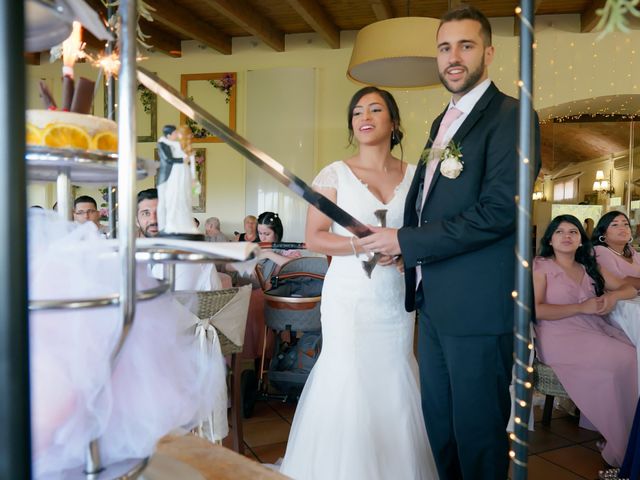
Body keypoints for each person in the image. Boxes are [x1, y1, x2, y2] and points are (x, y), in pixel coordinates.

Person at [359, 6, 541, 479]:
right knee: (441, 429)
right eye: (444, 48)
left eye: (465, 45)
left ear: (489, 53)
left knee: (478, 436)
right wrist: (409, 252)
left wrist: (407, 239)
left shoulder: (512, 116)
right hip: (434, 303)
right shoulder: (443, 120)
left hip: (481, 308)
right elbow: (429, 204)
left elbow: (502, 211)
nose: (453, 57)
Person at [279, 86, 436, 479]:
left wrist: (404, 254)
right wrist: (362, 243)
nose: (364, 117)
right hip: (349, 297)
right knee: (347, 373)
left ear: (394, 122)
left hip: (394, 299)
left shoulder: (418, 177)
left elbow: (424, 234)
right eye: (356, 112)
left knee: (396, 372)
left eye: (375, 109)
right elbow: (315, 236)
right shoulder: (333, 174)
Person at [533, 214, 637, 466]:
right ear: (550, 239)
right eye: (559, 232)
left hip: (593, 329)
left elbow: (629, 287)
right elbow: (535, 310)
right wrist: (580, 308)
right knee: (618, 362)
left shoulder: (588, 265)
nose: (567, 236)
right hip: (559, 334)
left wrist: (612, 298)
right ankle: (622, 447)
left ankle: (627, 440)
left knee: (633, 356)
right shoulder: (541, 266)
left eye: (573, 232)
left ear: (581, 239)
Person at [136, 188, 222, 291]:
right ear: (137, 220)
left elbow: (215, 298)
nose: (153, 219)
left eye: (160, 212)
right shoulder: (127, 257)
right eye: (146, 213)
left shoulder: (195, 258)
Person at [156, 125, 200, 237]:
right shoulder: (169, 144)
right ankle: (167, 225)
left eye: (179, 134)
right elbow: (167, 155)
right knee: (171, 198)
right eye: (176, 133)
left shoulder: (183, 146)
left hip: (183, 173)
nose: (177, 135)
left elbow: (192, 167)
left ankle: (183, 224)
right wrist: (182, 160)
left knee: (183, 198)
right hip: (173, 174)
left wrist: (194, 178)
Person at [592, 211, 640, 290]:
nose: (622, 228)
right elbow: (617, 281)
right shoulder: (600, 251)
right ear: (603, 233)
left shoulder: (630, 250)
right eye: (615, 225)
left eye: (626, 224)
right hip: (616, 301)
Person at [255, 211, 301, 289]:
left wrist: (268, 254)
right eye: (260, 233)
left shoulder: (286, 248)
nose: (262, 238)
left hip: (276, 290)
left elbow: (297, 265)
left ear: (276, 233)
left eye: (267, 234)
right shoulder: (255, 247)